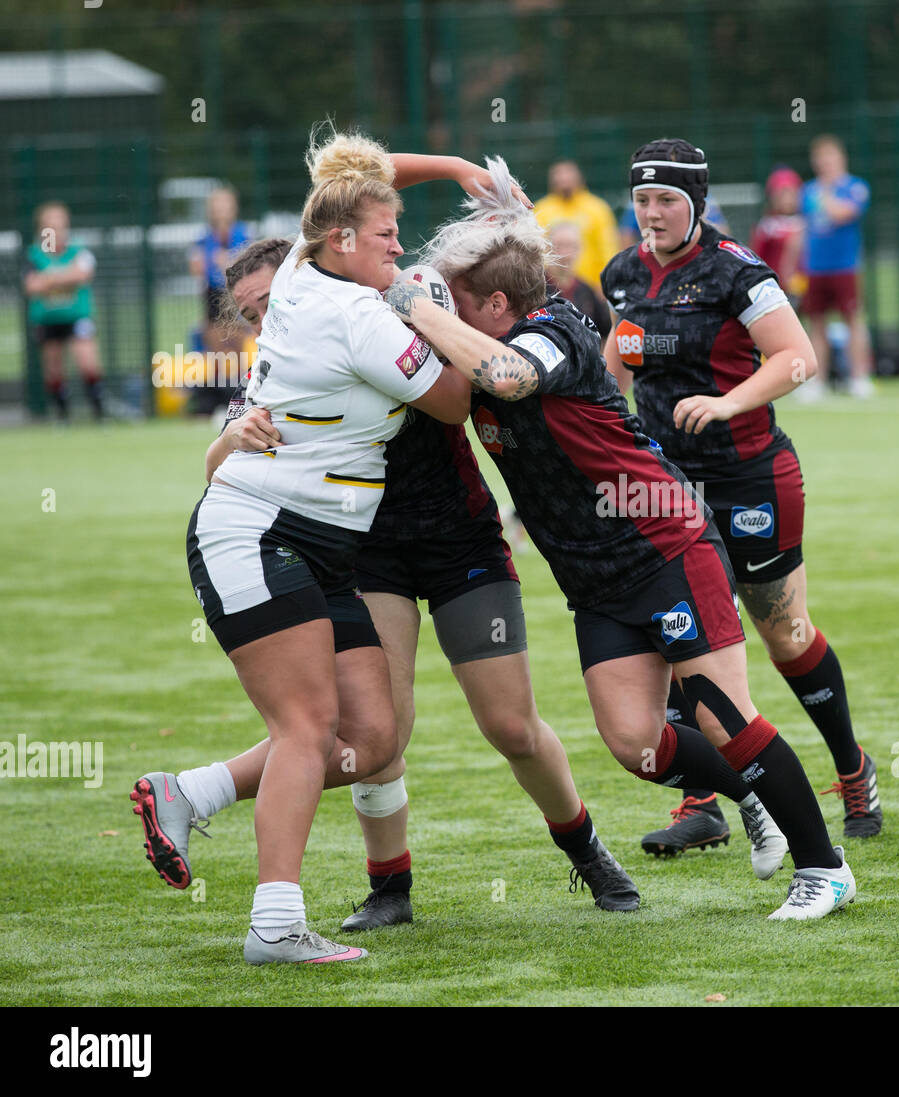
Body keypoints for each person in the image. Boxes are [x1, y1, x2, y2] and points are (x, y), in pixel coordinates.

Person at [393, 157, 857, 920]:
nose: (444, 314)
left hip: (666, 544)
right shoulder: (490, 330)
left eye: (457, 304)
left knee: (723, 714)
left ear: (499, 305)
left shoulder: (557, 334)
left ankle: (824, 866)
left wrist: (418, 307)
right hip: (594, 578)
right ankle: (755, 796)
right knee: (635, 742)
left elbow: (509, 376)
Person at [168, 234, 639, 928]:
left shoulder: (387, 310)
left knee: (511, 723)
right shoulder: (285, 362)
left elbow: (464, 385)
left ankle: (587, 848)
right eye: (252, 314)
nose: (266, 322)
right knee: (381, 729)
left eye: (271, 302)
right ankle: (389, 884)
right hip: (370, 551)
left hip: (461, 538)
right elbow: (220, 465)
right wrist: (229, 439)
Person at [131, 128, 480, 964]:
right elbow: (460, 401)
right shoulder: (356, 314)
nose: (401, 242)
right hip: (257, 534)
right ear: (341, 242)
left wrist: (456, 169)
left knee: (374, 735)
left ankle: (192, 790)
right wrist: (430, 306)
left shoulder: (298, 261)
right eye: (388, 232)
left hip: (315, 548)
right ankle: (275, 925)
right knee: (307, 726)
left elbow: (358, 178)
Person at [602, 138, 882, 859]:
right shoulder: (624, 273)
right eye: (642, 200)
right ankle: (707, 799)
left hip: (749, 475)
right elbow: (614, 377)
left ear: (696, 203)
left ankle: (852, 769)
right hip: (665, 486)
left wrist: (727, 403)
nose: (653, 213)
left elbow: (797, 357)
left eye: (667, 200)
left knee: (783, 634)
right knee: (679, 629)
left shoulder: (737, 271)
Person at [800, 134, 873, 399]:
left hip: (845, 266)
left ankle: (859, 378)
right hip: (815, 267)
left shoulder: (855, 187)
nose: (825, 163)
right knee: (816, 324)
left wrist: (827, 193)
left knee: (853, 320)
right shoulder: (807, 190)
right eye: (820, 158)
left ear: (841, 159)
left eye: (830, 157)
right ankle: (816, 382)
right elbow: (805, 228)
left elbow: (843, 214)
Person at [22, 201, 106, 420]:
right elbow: (32, 286)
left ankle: (99, 411)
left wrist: (49, 278)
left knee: (88, 362)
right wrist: (65, 277)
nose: (56, 232)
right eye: (50, 227)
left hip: (77, 316)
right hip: (48, 319)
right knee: (54, 367)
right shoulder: (34, 255)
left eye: (60, 226)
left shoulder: (79, 250)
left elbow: (83, 275)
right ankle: (62, 414)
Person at [189, 187, 252, 414]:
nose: (222, 209)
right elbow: (197, 268)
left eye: (226, 204)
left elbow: (247, 265)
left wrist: (228, 263)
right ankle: (218, 401)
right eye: (217, 205)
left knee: (237, 352)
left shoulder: (243, 235)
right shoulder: (204, 238)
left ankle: (239, 400)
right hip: (213, 300)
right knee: (216, 352)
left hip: (237, 297)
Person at [531, 160, 620, 293]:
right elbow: (535, 251)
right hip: (550, 290)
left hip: (591, 289)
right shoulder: (541, 210)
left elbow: (608, 249)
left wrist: (604, 284)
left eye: (568, 176)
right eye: (559, 177)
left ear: (579, 179)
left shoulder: (597, 208)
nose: (564, 181)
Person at [545, 221, 611, 341]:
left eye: (571, 246)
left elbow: (605, 332)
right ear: (547, 248)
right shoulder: (535, 288)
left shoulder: (587, 291)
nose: (565, 254)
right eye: (559, 246)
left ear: (580, 250)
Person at [751, 166, 806, 306]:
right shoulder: (767, 226)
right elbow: (756, 256)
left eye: (792, 194)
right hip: (773, 287)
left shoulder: (803, 223)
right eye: (782, 194)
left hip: (802, 283)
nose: (788, 200)